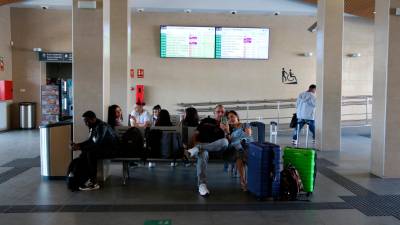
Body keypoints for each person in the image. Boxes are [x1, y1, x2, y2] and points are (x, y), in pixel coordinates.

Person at [185, 104, 230, 197]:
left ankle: (197, 148)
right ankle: (202, 185)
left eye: (222, 112)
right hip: (204, 148)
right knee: (203, 153)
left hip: (218, 151)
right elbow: (195, 134)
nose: (220, 114)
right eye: (218, 111)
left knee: (225, 142)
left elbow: (229, 142)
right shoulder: (206, 121)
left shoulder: (227, 124)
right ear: (214, 113)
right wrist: (194, 144)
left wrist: (226, 131)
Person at [71, 111, 119, 191]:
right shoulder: (93, 126)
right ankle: (83, 178)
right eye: (85, 121)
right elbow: (90, 141)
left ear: (93, 119)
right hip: (104, 148)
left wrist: (80, 148)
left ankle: (94, 182)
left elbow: (97, 143)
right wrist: (78, 145)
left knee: (90, 153)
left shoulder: (102, 126)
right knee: (86, 153)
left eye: (87, 121)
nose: (86, 123)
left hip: (112, 150)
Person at [225, 110, 253, 192]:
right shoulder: (230, 130)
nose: (231, 119)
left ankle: (243, 182)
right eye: (229, 118)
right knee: (239, 154)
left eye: (232, 116)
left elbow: (248, 135)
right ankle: (244, 182)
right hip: (236, 148)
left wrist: (241, 139)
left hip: (247, 146)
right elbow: (229, 141)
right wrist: (227, 132)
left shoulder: (245, 125)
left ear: (237, 117)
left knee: (240, 156)